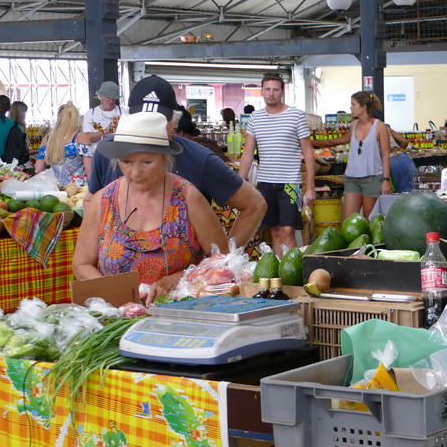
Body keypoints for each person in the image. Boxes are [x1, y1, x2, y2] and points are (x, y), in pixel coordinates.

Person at [89, 75, 266, 249]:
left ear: (174, 122)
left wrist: (222, 261)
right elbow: (92, 202)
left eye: (158, 121)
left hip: (182, 275)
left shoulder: (199, 158)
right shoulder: (107, 152)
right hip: (118, 275)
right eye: (142, 119)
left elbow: (254, 205)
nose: (150, 127)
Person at [73, 112, 229, 305]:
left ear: (165, 157)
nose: (135, 173)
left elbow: (221, 259)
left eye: (147, 162)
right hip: (119, 316)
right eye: (126, 162)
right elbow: (81, 264)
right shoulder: (103, 201)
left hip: (182, 313)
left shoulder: (188, 198)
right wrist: (117, 292)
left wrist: (177, 279)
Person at [238, 73, 317, 254]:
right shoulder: (255, 118)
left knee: (287, 230)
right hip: (265, 183)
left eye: (275, 89)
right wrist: (240, 181)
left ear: (282, 92)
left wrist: (310, 186)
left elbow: (308, 151)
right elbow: (248, 153)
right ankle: (280, 274)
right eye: (267, 89)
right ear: (262, 92)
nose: (271, 93)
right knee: (274, 231)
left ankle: (293, 273)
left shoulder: (296, 116)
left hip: (290, 182)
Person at [338, 91, 392, 218]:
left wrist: (386, 180)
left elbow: (385, 155)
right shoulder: (353, 125)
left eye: (353, 104)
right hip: (352, 178)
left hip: (372, 178)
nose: (350, 108)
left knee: (370, 218)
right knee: (349, 220)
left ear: (363, 107)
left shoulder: (380, 127)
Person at [34, 102, 91, 188]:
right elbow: (89, 169)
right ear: (76, 118)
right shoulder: (81, 137)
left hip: (56, 189)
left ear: (59, 118)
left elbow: (38, 169)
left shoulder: (48, 139)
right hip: (78, 190)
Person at [81, 81, 123, 146]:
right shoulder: (90, 114)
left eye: (113, 98)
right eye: (108, 98)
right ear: (100, 96)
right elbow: (87, 137)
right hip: (96, 152)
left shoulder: (123, 113)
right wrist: (106, 130)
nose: (111, 101)